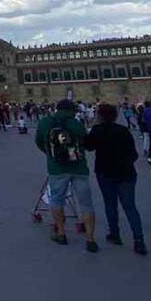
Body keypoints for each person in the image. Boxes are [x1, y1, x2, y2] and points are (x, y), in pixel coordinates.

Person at [36, 99, 98, 252]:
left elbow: (39, 142)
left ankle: (61, 233)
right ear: (71, 110)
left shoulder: (45, 122)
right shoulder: (76, 124)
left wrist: (51, 155)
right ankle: (90, 239)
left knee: (57, 199)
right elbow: (85, 144)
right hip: (78, 167)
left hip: (57, 168)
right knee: (86, 203)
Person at [84, 104, 146, 254]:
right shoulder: (123, 131)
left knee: (110, 204)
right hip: (126, 174)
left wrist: (92, 126)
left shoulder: (97, 131)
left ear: (100, 116)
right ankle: (139, 242)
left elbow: (88, 147)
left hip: (105, 173)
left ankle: (114, 234)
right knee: (130, 207)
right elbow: (134, 154)